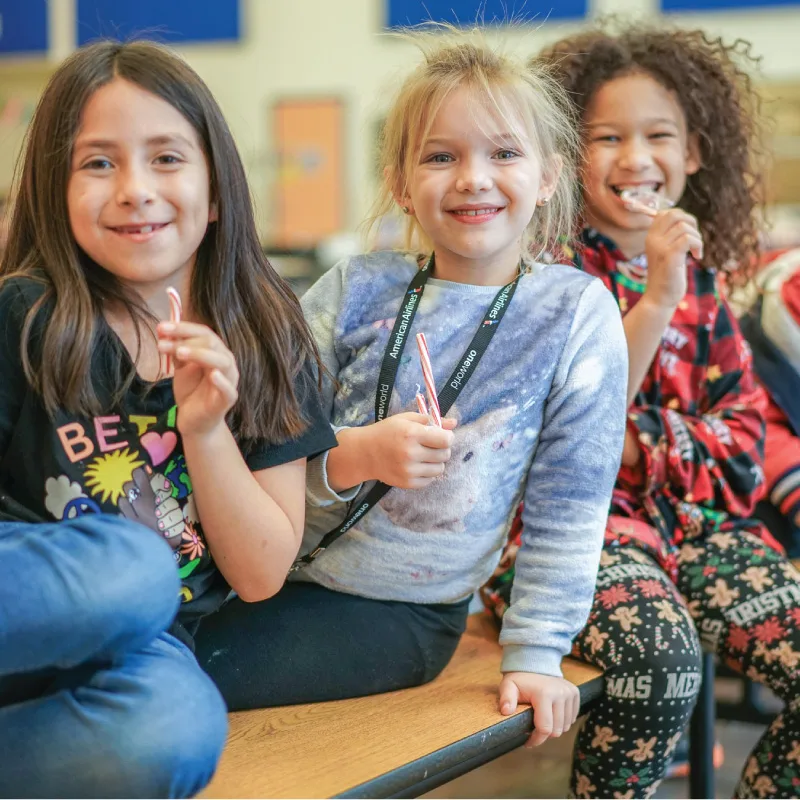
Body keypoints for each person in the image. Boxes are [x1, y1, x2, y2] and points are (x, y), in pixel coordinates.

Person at [194, 30, 629, 756]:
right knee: (127, 641)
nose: (473, 178)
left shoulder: (574, 314)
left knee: (173, 670)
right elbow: (258, 453)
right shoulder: (353, 289)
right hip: (256, 568)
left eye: (504, 153)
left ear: (549, 176)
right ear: (400, 181)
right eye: (440, 156)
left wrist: (536, 653)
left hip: (400, 612)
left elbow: (569, 506)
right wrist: (354, 456)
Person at [0, 39, 335, 797]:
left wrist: (207, 430)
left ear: (216, 190)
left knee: (178, 728)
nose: (134, 189)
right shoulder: (25, 315)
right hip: (34, 598)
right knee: (131, 569)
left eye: (166, 158)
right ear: (56, 190)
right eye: (98, 163)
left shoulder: (271, 339)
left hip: (145, 652)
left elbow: (258, 573)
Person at [484, 23, 800, 797]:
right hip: (569, 537)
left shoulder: (711, 286)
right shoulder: (540, 280)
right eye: (606, 137)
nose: (635, 158)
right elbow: (565, 438)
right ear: (563, 158)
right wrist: (656, 297)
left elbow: (744, 450)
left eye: (658, 135)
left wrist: (638, 445)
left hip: (698, 530)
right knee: (661, 668)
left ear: (693, 154)